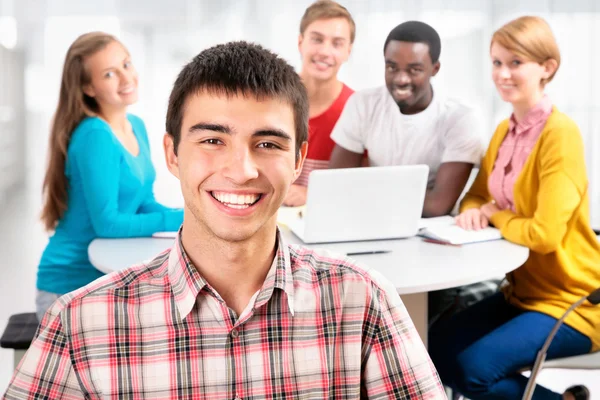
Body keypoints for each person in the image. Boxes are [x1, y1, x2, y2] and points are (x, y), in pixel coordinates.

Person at [5, 41, 445, 399]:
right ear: (173, 155)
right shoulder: (80, 325)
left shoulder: (364, 303)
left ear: (299, 160)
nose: (242, 170)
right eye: (213, 139)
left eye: (268, 143)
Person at [429, 16, 600, 400]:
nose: (503, 73)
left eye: (515, 62)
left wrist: (495, 214)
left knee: (475, 370)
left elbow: (544, 235)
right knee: (432, 346)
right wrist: (477, 209)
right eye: (496, 62)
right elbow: (475, 195)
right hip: (520, 293)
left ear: (547, 68)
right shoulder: (504, 131)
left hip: (574, 299)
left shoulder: (560, 135)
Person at [35, 32, 183, 321]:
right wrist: (178, 220)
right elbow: (108, 223)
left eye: (126, 64)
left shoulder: (135, 125)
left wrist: (187, 214)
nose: (126, 78)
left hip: (99, 281)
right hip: (68, 286)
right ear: (89, 88)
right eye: (109, 74)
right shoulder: (95, 135)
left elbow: (143, 202)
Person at [329, 20, 484, 218]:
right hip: (371, 221)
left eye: (414, 70)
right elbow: (336, 184)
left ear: (435, 69)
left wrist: (365, 192)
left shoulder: (460, 118)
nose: (401, 79)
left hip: (429, 231)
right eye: (392, 67)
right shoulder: (363, 104)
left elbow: (437, 206)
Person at [283, 0, 355, 206]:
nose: (325, 51)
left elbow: (357, 187)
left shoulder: (356, 110)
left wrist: (311, 194)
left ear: (348, 51)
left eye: (337, 43)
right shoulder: (270, 100)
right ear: (300, 42)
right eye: (317, 39)